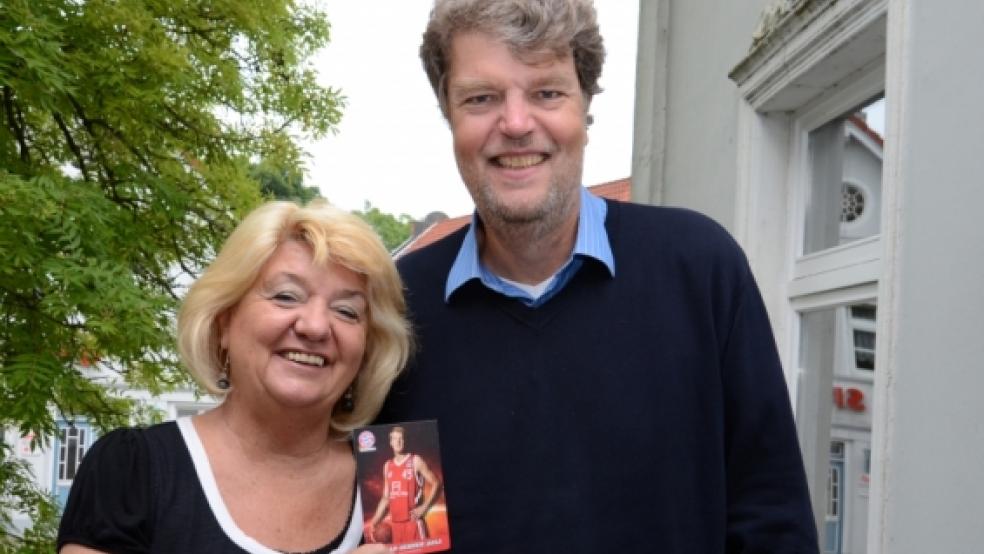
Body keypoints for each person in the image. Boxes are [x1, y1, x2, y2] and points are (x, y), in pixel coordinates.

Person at [377, 0, 820, 552]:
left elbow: (772, 522)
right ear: (449, 114)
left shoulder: (701, 270)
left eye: (547, 93)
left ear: (585, 107)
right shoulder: (398, 309)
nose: (516, 124)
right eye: (482, 98)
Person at [58, 200, 410, 554]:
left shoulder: (391, 486)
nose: (316, 326)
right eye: (286, 296)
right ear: (224, 321)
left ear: (367, 349)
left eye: (346, 311)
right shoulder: (132, 471)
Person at [366, 426, 443, 544]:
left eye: (401, 438)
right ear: (390, 442)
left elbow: (437, 483)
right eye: (395, 439)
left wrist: (425, 507)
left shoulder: (415, 460)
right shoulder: (387, 466)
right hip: (395, 526)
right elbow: (386, 497)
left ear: (405, 440)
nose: (398, 442)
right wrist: (375, 521)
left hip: (414, 523)